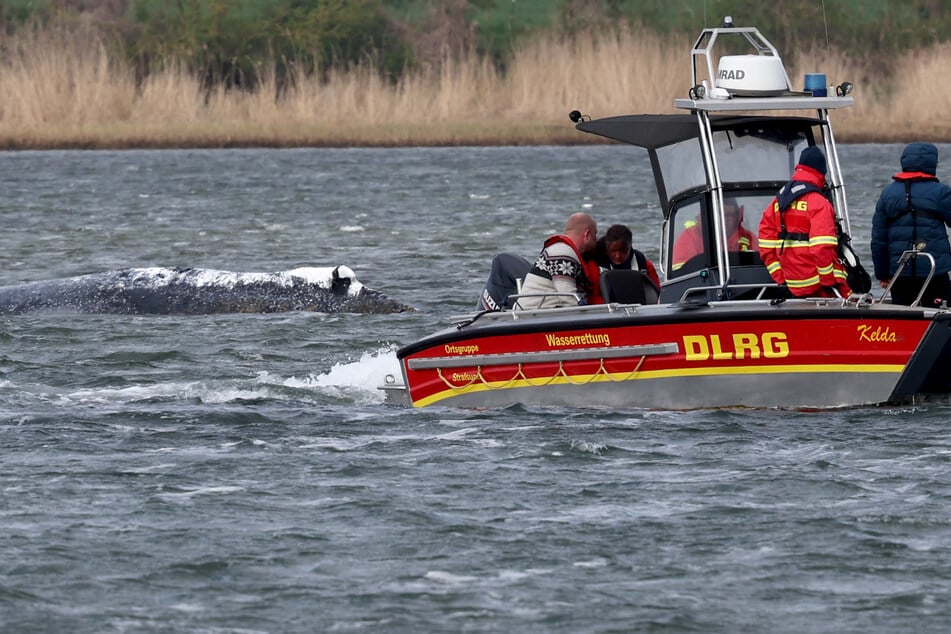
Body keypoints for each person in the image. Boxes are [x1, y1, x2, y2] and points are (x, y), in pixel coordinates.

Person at [758, 146, 851, 298]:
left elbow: (765, 243)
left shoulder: (778, 201)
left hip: (791, 283)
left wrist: (780, 277)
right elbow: (821, 248)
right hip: (818, 286)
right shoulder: (819, 203)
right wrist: (829, 282)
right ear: (821, 172)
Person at [870, 142, 951, 306]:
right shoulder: (941, 192)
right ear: (932, 164)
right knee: (941, 314)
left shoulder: (887, 193)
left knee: (902, 319)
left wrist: (882, 274)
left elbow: (878, 239)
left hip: (899, 273)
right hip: (934, 272)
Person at [518, 212, 602, 309]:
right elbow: (568, 298)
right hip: (537, 313)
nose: (596, 240)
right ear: (587, 234)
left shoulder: (562, 250)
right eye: (595, 235)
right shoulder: (564, 254)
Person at [670, 197, 757, 273]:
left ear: (738, 216)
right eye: (720, 215)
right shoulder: (691, 236)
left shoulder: (749, 238)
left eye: (729, 215)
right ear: (711, 215)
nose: (724, 220)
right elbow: (680, 272)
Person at [594, 224, 661, 287]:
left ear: (630, 245)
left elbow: (657, 292)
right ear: (606, 247)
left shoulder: (644, 265)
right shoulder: (594, 266)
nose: (618, 256)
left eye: (623, 250)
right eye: (613, 251)